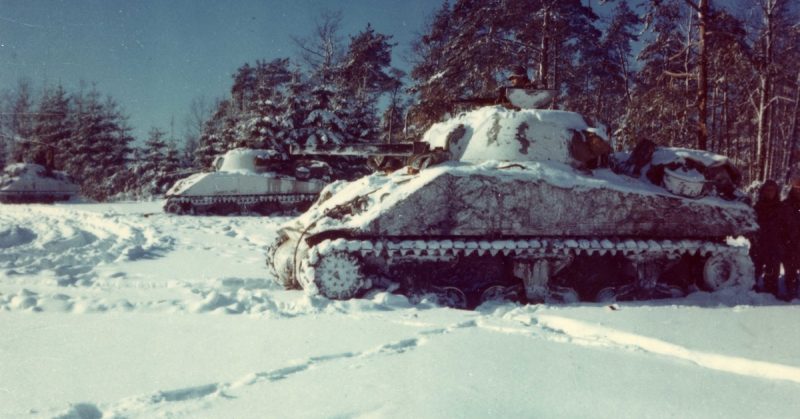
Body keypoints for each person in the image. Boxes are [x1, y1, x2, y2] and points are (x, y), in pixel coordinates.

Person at [751, 180, 784, 297]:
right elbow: (751, 225)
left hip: (775, 245)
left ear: (776, 192)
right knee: (754, 270)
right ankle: (751, 289)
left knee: (773, 271)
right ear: (763, 191)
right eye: (767, 190)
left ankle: (771, 291)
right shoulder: (757, 207)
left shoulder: (781, 208)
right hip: (758, 244)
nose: (770, 193)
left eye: (772, 190)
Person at [781, 178, 800, 301]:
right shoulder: (785, 205)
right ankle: (791, 292)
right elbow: (779, 225)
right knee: (790, 270)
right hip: (789, 243)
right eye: (797, 189)